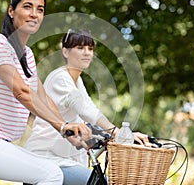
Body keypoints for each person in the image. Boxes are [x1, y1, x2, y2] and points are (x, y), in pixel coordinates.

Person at [0, 0, 92, 185]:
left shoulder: (28, 55)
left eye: (40, 9)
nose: (34, 14)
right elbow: (22, 92)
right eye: (27, 6)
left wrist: (67, 133)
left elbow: (43, 97)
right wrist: (62, 126)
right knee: (51, 174)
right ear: (11, 11)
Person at [24, 29, 150, 185]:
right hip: (46, 157)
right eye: (80, 48)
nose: (87, 53)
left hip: (64, 158)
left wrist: (116, 134)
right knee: (98, 183)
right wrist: (118, 133)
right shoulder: (60, 78)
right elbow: (85, 110)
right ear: (65, 52)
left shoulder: (77, 80)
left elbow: (88, 109)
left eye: (90, 49)